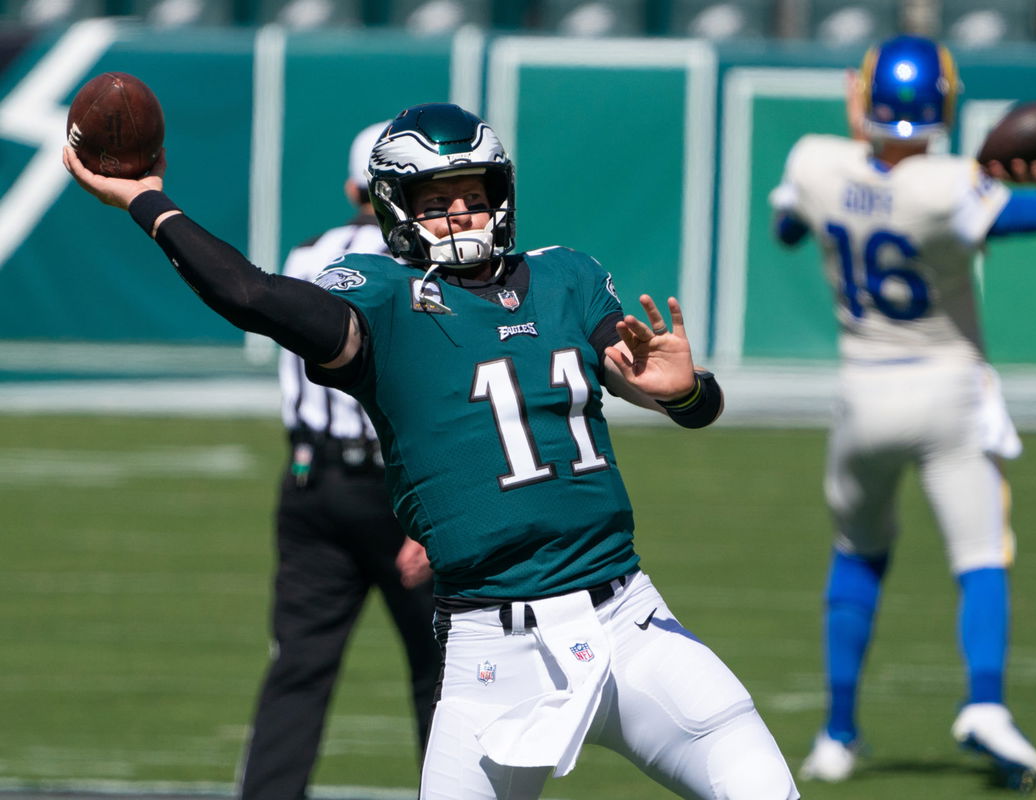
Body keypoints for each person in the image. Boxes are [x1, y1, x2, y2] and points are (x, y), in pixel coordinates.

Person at [64, 102, 799, 800]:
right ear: (394, 208)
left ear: (500, 193)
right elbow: (252, 295)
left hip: (628, 623)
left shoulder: (566, 276)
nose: (457, 212)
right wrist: (147, 201)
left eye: (470, 192)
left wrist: (686, 391)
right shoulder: (383, 299)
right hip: (493, 650)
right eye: (433, 198)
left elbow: (679, 401)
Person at [770, 34, 1036, 792]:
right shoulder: (954, 185)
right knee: (981, 555)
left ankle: (837, 734)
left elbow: (787, 228)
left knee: (858, 551)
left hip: (862, 391)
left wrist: (857, 170)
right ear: (944, 104)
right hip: (947, 390)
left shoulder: (814, 162)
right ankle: (985, 702)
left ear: (865, 97)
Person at [235, 122, 440, 800]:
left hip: (310, 478)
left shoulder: (306, 254)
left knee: (298, 668)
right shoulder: (418, 265)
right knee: (442, 673)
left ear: (354, 189)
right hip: (402, 492)